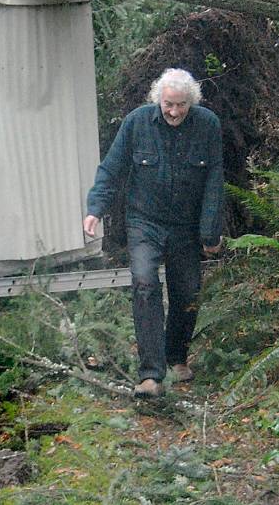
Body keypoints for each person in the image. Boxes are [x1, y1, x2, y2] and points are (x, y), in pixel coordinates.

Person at [83, 68, 224, 398]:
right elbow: (112, 168)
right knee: (145, 283)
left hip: (186, 227)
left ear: (192, 102)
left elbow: (214, 181)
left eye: (181, 105)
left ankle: (176, 358)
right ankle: (150, 375)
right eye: (168, 105)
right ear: (157, 100)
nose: (174, 112)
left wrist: (210, 232)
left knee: (187, 292)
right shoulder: (137, 122)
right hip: (144, 221)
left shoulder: (208, 125)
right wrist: (95, 210)